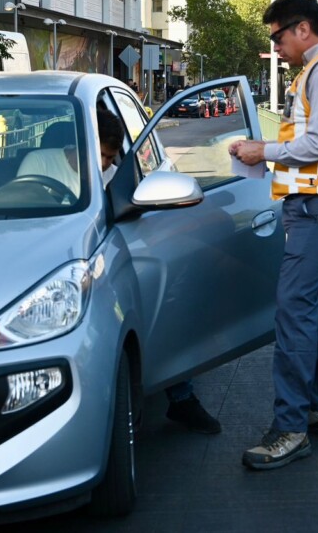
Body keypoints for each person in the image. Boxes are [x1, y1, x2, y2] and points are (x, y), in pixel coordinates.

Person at [229, 0, 318, 470]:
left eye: (277, 37)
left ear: (303, 29)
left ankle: (290, 429)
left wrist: (262, 151)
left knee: (294, 310)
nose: (276, 47)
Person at [96, 108, 221, 435]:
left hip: (124, 255)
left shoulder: (118, 176)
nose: (106, 163)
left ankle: (182, 397)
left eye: (110, 157)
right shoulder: (45, 168)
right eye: (102, 155)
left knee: (169, 305)